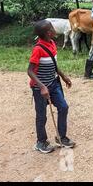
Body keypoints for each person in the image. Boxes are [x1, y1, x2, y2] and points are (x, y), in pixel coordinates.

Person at [27, 20, 75, 153]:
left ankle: (61, 137)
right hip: (40, 88)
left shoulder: (52, 43)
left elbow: (53, 63)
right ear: (49, 33)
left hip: (53, 84)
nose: (55, 29)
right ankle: (41, 142)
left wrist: (63, 76)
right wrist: (42, 86)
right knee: (42, 115)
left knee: (63, 107)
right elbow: (30, 71)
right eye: (52, 28)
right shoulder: (38, 49)